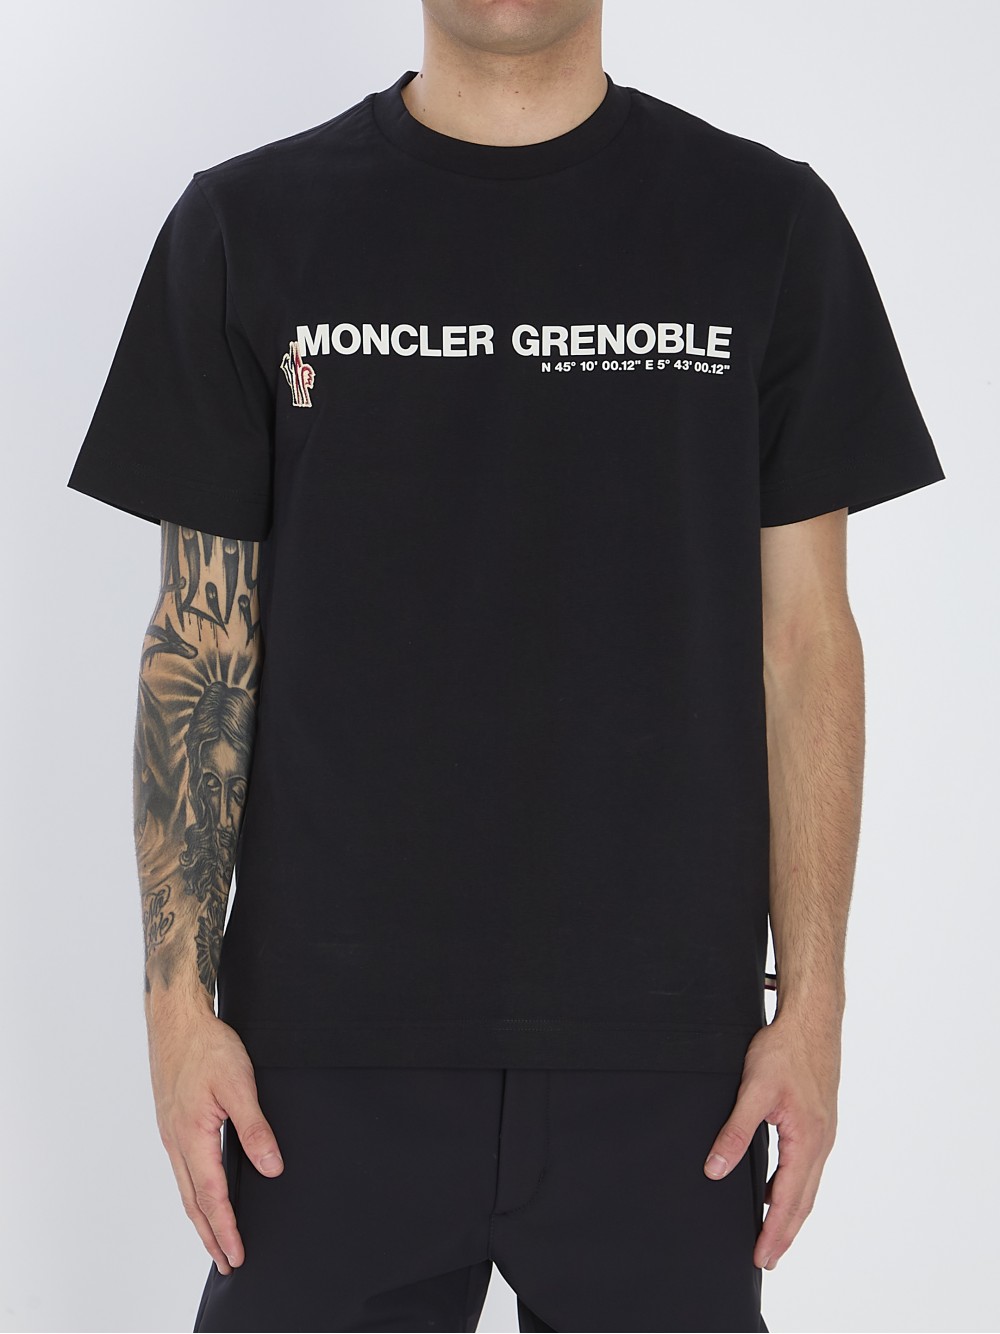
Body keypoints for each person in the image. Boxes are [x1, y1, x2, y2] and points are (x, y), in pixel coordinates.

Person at [65, 1, 946, 1330]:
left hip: (673, 1067)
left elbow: (808, 640)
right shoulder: (248, 226)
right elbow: (200, 636)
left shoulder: (764, 226)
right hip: (317, 1066)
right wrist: (177, 1011)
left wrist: (813, 1006)